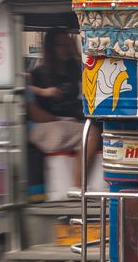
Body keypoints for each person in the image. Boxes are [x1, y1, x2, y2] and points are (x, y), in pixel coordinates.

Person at [27, 30, 99, 187]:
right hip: (47, 124)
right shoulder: (39, 74)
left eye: (68, 44)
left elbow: (90, 76)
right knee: (91, 134)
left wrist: (77, 52)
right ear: (51, 48)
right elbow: (33, 106)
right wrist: (44, 93)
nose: (65, 48)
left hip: (69, 121)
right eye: (60, 45)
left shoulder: (73, 69)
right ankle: (78, 186)